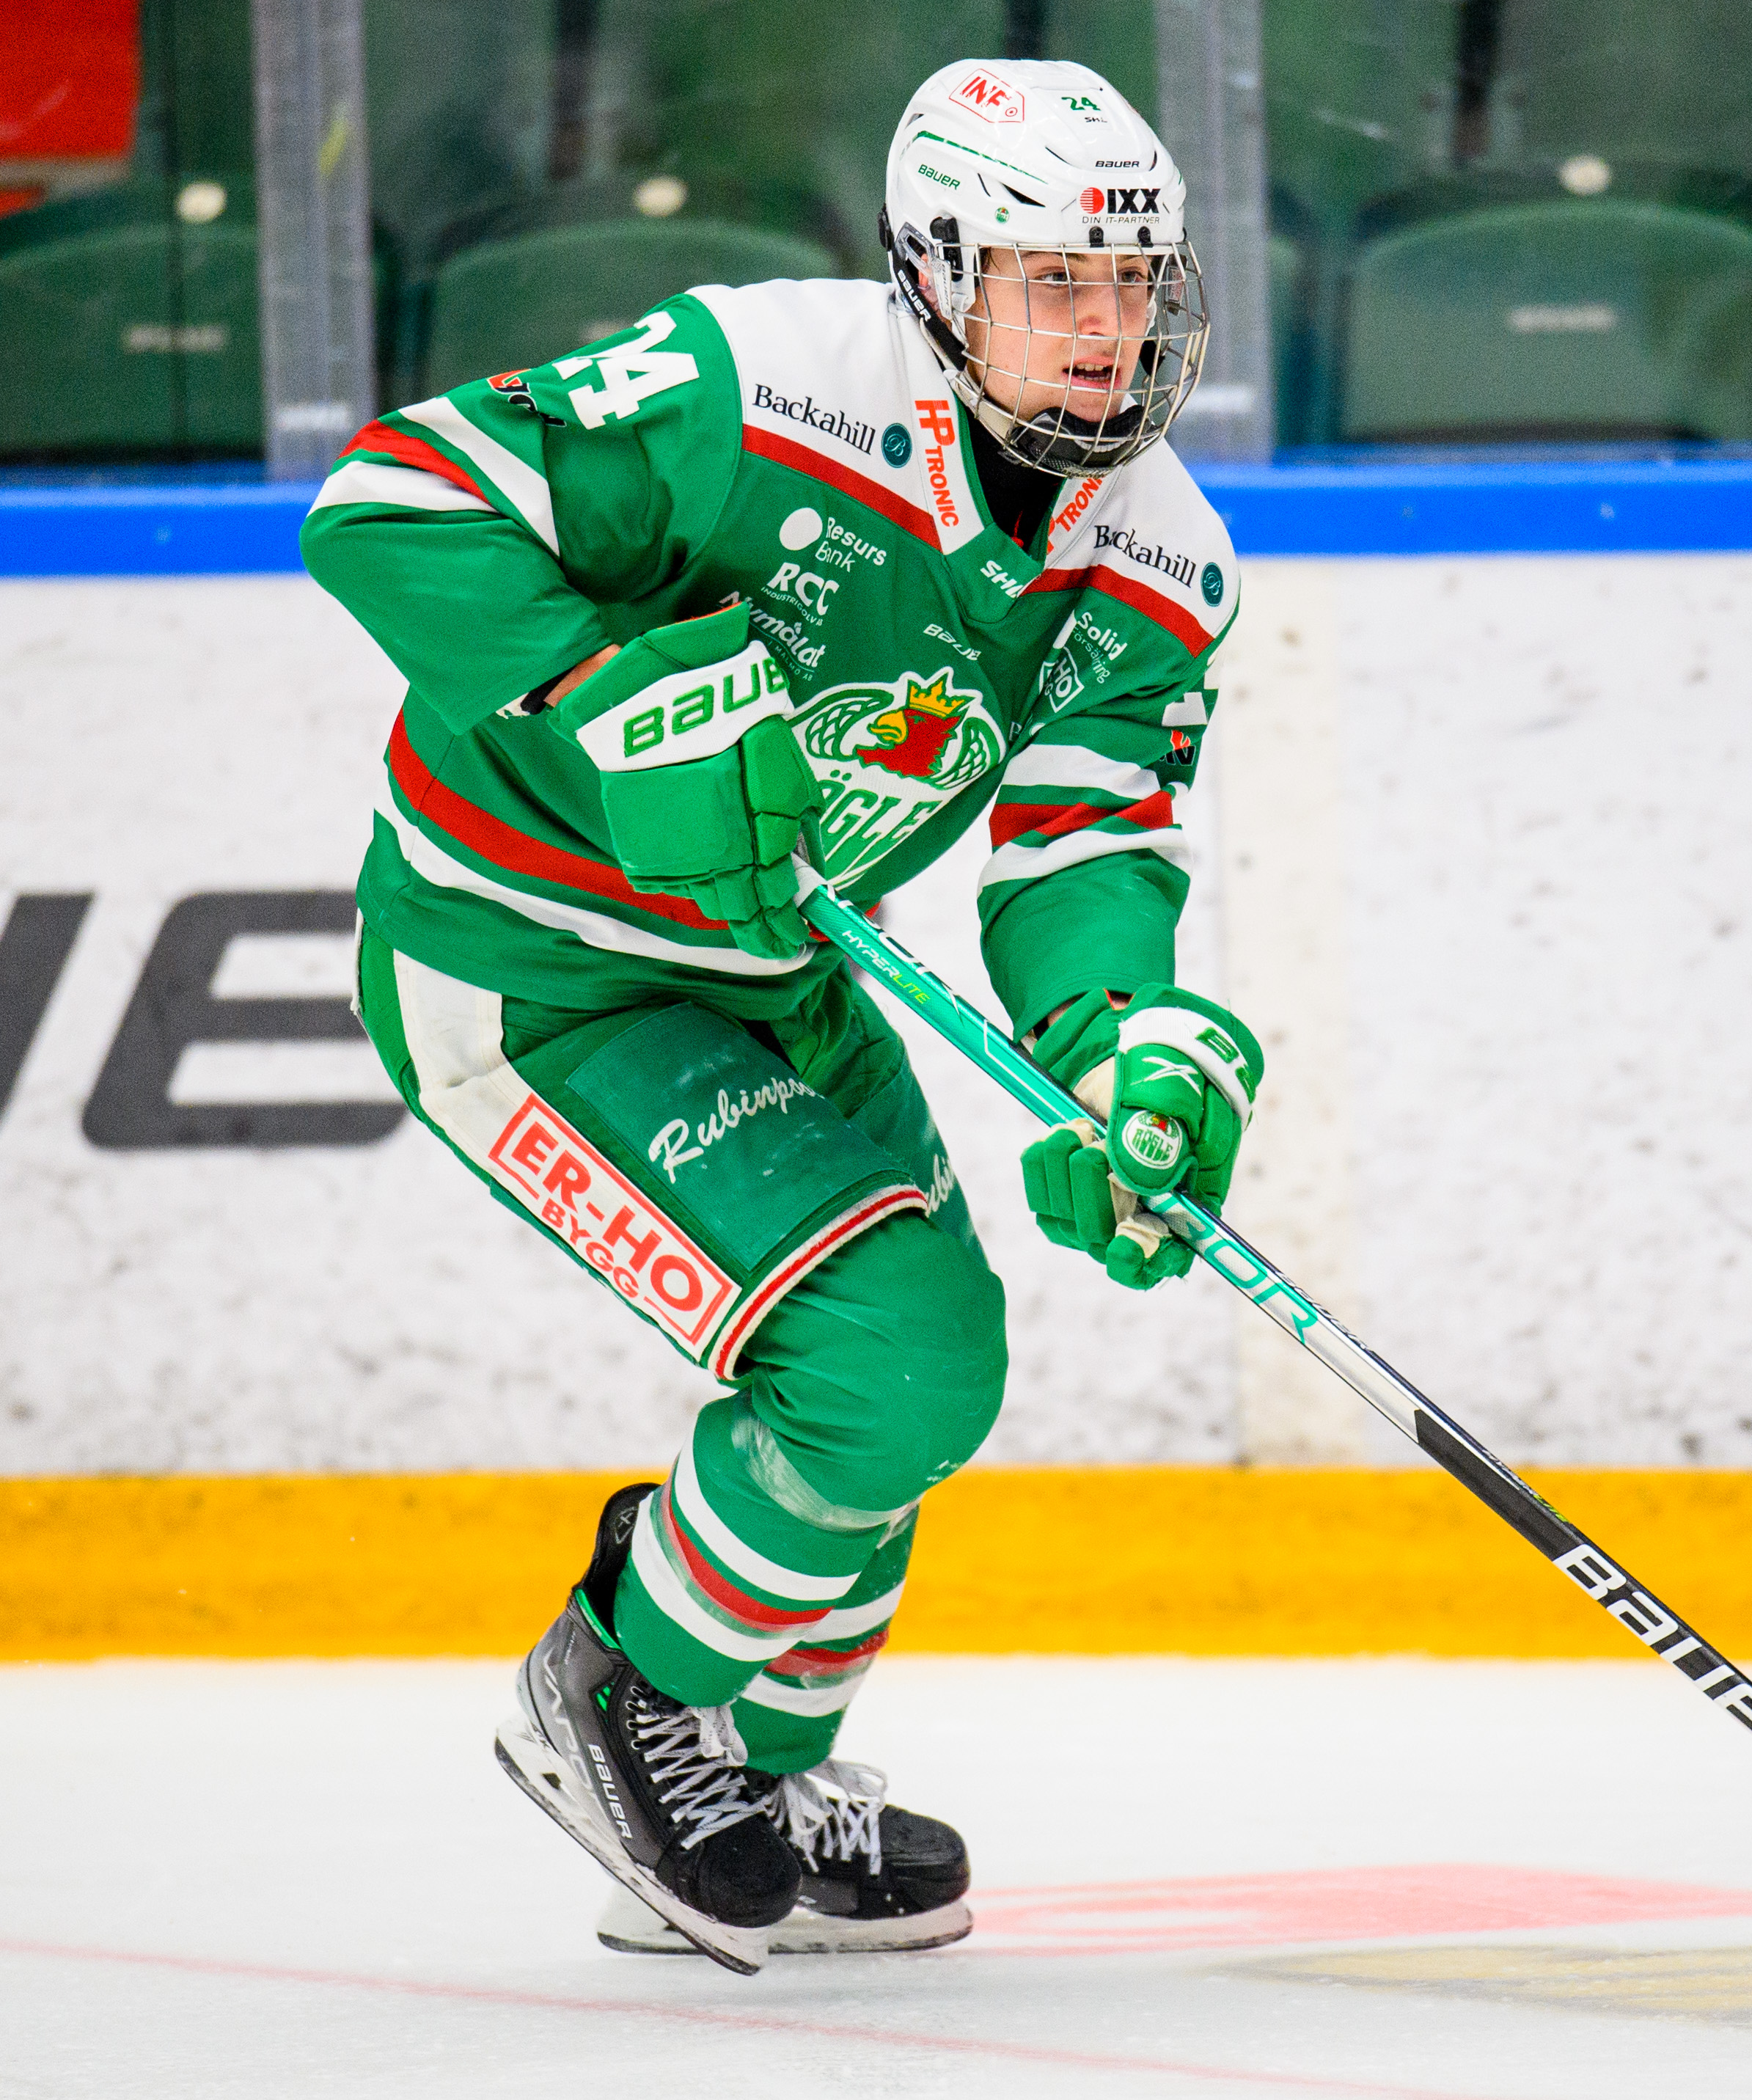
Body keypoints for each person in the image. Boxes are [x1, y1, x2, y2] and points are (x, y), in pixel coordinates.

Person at [302, 58, 1262, 1971]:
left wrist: (1134, 1048)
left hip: (774, 975)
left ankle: (749, 1764)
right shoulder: (752, 386)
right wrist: (607, 687)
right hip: (531, 973)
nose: (1107, 330)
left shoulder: (1164, 550)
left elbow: (1078, 855)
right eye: (1054, 282)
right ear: (937, 274)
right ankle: (620, 1683)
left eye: (1134, 284)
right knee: (891, 1349)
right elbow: (387, 499)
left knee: (916, 1367)